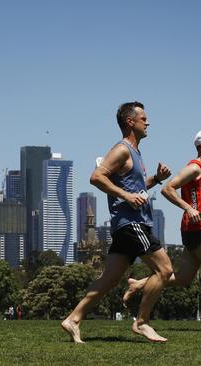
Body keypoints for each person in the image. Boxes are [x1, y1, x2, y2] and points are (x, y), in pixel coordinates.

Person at [61, 101, 173, 343]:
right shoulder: (121, 149)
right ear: (130, 122)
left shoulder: (135, 153)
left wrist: (156, 178)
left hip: (127, 224)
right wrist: (126, 196)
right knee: (164, 270)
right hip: (132, 223)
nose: (148, 122)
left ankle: (73, 319)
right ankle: (142, 323)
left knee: (108, 279)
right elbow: (96, 177)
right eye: (144, 119)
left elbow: (136, 188)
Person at [123, 127, 201, 332]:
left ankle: (137, 284)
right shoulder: (195, 167)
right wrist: (188, 208)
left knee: (183, 278)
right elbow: (168, 188)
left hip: (199, 228)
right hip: (197, 230)